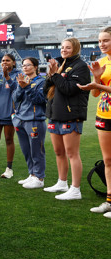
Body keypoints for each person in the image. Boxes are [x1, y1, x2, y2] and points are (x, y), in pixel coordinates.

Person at [42, 37, 90, 200]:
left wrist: (56, 75)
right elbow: (45, 90)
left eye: (68, 47)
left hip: (71, 115)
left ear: (75, 49)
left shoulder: (81, 67)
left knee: (72, 153)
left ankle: (75, 189)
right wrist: (51, 75)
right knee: (58, 151)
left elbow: (69, 89)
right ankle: (62, 182)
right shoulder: (62, 64)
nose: (64, 50)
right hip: (55, 114)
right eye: (62, 47)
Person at [78, 27, 111, 215]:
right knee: (108, 160)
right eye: (99, 41)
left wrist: (97, 83)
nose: (102, 44)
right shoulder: (101, 62)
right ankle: (109, 201)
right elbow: (95, 93)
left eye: (106, 40)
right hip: (104, 114)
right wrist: (97, 78)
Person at [12, 57, 47, 189]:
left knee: (36, 151)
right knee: (26, 150)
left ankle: (39, 177)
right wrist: (21, 87)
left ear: (35, 67)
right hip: (20, 119)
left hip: (34, 119)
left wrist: (26, 87)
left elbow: (40, 99)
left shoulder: (41, 82)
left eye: (28, 65)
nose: (25, 67)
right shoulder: (21, 80)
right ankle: (32, 174)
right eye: (23, 65)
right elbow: (15, 98)